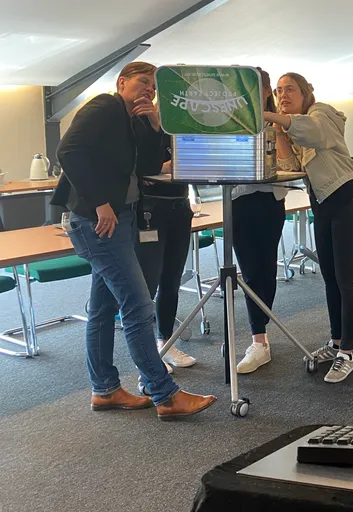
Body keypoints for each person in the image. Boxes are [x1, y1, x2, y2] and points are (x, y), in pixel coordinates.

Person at [51, 61, 215, 419]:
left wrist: (156, 125)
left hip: (120, 219)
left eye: (153, 87)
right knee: (139, 306)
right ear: (122, 82)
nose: (148, 91)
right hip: (97, 221)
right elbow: (69, 152)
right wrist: (99, 203)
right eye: (142, 82)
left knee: (104, 307)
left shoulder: (135, 119)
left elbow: (152, 165)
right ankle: (165, 395)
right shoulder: (103, 106)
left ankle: (105, 390)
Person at [263, 73, 353, 383]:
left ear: (307, 92)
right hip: (321, 204)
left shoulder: (321, 113)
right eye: (279, 91)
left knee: (346, 280)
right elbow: (293, 167)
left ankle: (347, 352)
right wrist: (279, 131)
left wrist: (268, 114)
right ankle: (336, 342)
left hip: (346, 200)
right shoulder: (292, 126)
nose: (283, 95)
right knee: (330, 278)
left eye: (290, 89)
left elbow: (315, 133)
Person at [233, 67, 298, 374]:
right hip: (239, 201)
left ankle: (261, 336)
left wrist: (278, 129)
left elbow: (288, 164)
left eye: (257, 86)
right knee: (249, 272)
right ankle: (258, 338)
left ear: (265, 91)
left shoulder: (278, 119)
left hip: (271, 201)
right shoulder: (229, 120)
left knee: (267, 269)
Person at [134, 135, 197, 372]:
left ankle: (166, 343)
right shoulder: (139, 126)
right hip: (150, 210)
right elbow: (131, 165)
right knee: (147, 286)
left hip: (180, 207)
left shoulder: (183, 129)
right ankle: (147, 355)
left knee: (171, 281)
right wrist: (158, 168)